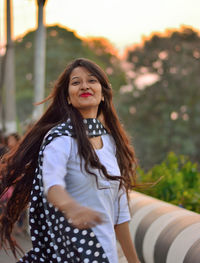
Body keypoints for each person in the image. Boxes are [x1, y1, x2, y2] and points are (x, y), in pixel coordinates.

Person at [0, 58, 140, 263]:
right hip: (71, 255)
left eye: (91, 80)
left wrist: (133, 261)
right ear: (67, 97)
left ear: (103, 94)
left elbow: (120, 215)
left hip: (106, 257)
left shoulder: (110, 143)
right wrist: (71, 207)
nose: (84, 86)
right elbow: (52, 184)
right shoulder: (60, 139)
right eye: (76, 82)